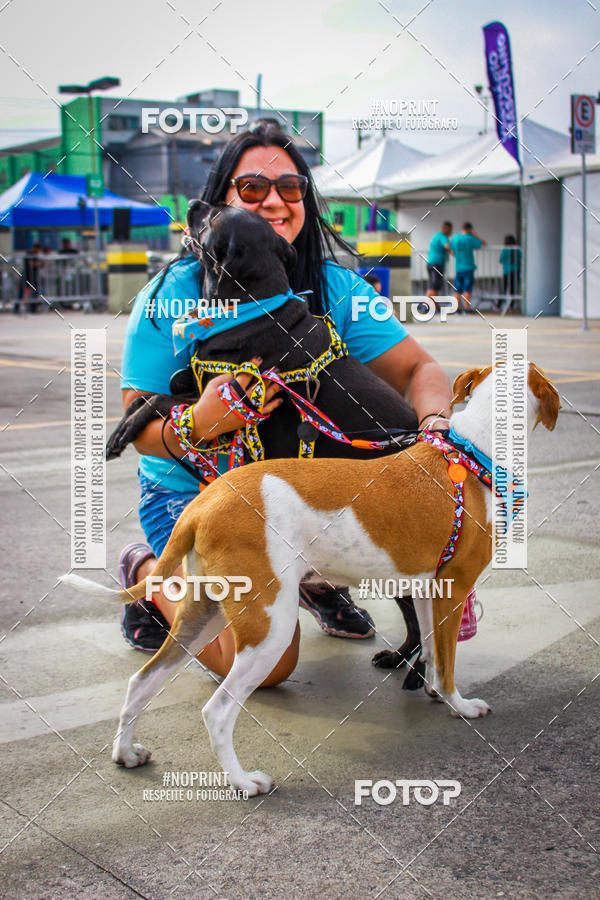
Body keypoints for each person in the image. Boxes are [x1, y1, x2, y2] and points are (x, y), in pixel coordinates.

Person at [118, 121, 453, 685]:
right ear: (225, 198)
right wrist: (198, 423)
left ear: (306, 198)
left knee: (436, 547)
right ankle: (152, 573)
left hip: (300, 498)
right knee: (269, 666)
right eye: (252, 189)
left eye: (290, 187)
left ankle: (314, 580)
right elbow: (135, 421)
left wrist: (435, 433)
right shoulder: (172, 293)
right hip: (196, 494)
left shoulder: (335, 288)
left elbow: (420, 369)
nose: (274, 200)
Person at [450, 222, 486, 313]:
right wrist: (475, 235)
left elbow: (451, 250)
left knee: (457, 289)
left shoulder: (455, 238)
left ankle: (457, 308)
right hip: (468, 267)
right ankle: (466, 308)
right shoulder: (470, 238)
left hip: (458, 267)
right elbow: (483, 243)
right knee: (467, 288)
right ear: (470, 229)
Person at [426, 221, 452, 303]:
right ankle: (426, 306)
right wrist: (452, 251)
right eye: (450, 230)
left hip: (430, 263)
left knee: (432, 286)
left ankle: (434, 306)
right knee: (434, 286)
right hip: (437, 264)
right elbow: (447, 246)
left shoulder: (436, 235)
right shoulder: (443, 237)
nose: (451, 232)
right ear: (446, 228)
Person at [499, 234, 522, 309]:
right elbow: (521, 258)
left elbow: (501, 260)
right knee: (513, 289)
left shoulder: (505, 250)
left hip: (506, 271)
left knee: (503, 288)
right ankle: (511, 306)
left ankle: (499, 305)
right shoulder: (518, 249)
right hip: (516, 271)